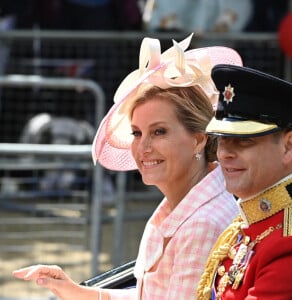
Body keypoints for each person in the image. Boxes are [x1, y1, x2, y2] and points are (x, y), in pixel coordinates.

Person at [12, 34, 242, 299]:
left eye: (159, 132)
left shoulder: (202, 223)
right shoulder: (181, 206)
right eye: (136, 133)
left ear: (198, 140)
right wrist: (78, 293)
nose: (143, 147)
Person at [197, 64, 292, 299]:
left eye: (244, 141)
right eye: (223, 139)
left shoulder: (291, 242)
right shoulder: (255, 218)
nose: (224, 153)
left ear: (289, 146)